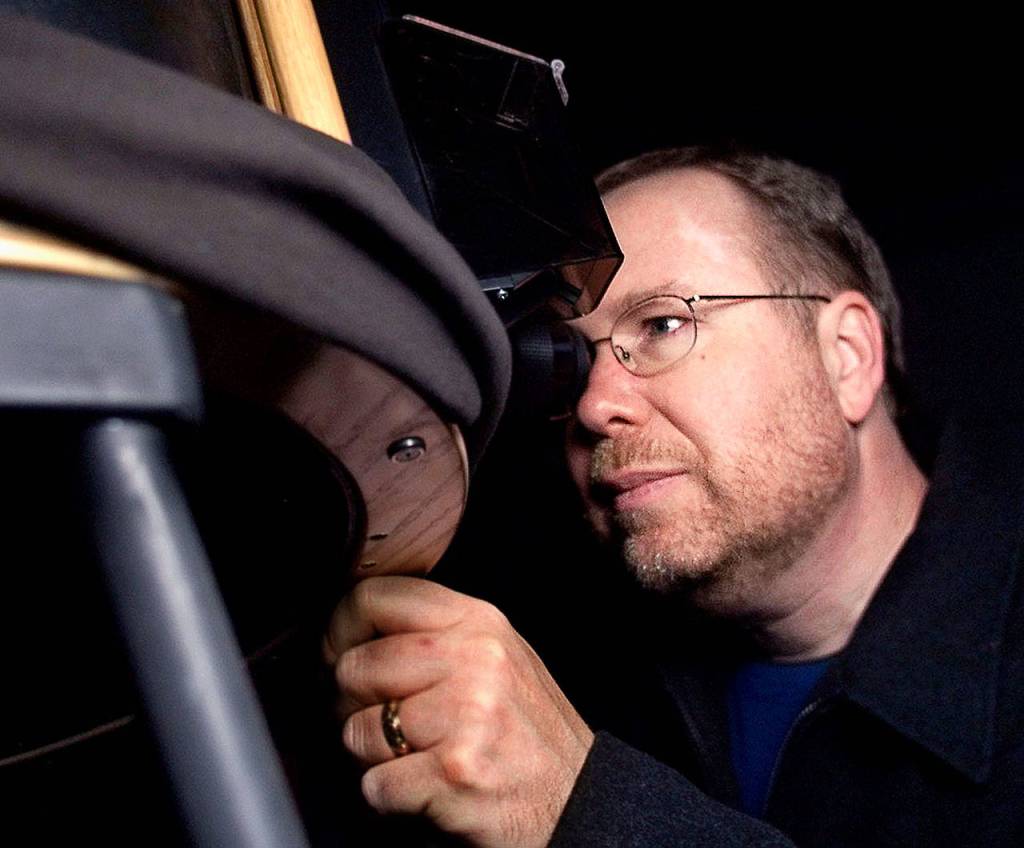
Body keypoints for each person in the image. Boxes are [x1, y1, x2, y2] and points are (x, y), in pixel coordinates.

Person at [322, 147, 1024, 847]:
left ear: (846, 355)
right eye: (575, 360)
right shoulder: (595, 652)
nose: (594, 407)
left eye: (661, 326)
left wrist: (583, 807)